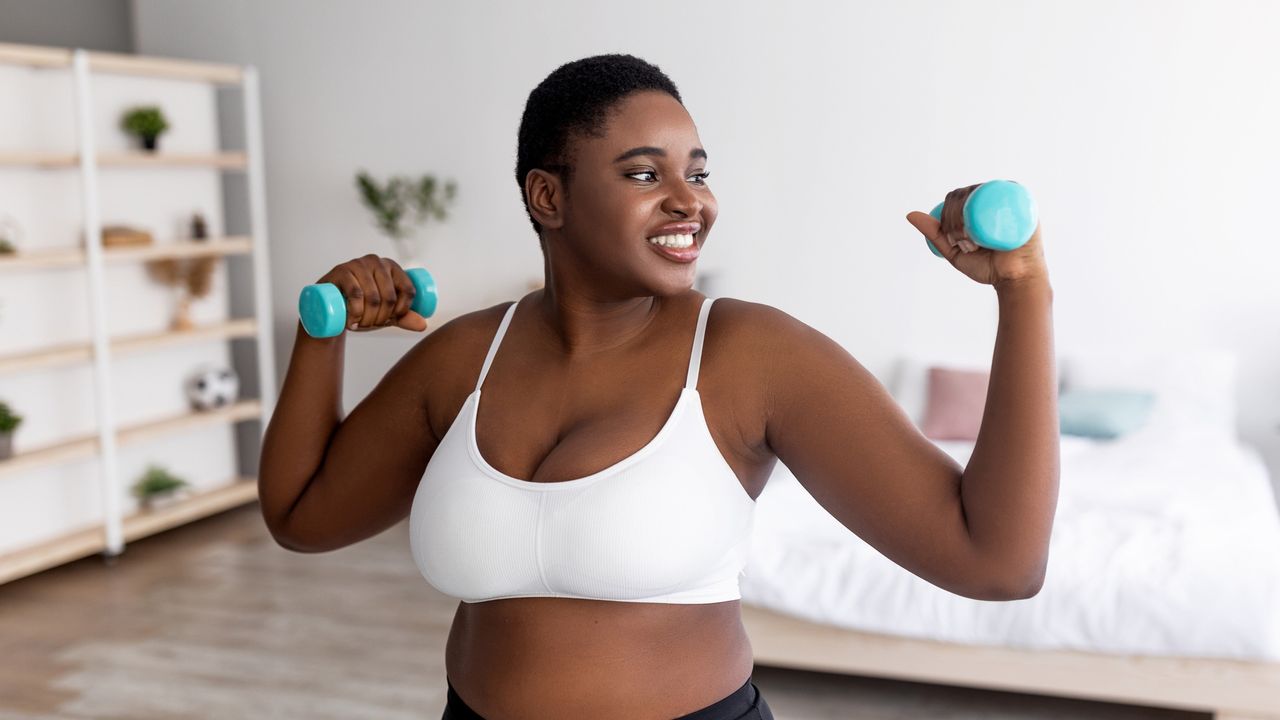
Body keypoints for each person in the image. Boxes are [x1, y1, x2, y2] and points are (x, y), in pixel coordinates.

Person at [259, 53, 1058, 720]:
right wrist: (320, 332)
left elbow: (997, 561)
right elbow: (302, 517)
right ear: (548, 197)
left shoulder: (751, 354)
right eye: (646, 173)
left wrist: (1023, 293)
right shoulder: (466, 356)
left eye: (699, 172)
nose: (691, 202)